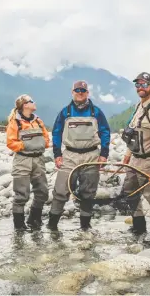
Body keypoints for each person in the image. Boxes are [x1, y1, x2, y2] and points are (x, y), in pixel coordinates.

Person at [47, 80, 111, 231]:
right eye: (77, 91)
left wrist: (104, 154)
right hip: (69, 155)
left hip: (91, 155)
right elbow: (56, 133)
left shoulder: (97, 112)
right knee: (61, 190)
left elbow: (105, 132)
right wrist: (57, 154)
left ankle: (85, 226)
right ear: (72, 92)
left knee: (88, 192)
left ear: (87, 93)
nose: (80, 93)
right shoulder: (65, 112)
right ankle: (52, 225)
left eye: (83, 91)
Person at [121, 72, 150, 247]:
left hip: (149, 162)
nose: (140, 87)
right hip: (134, 160)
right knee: (129, 192)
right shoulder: (139, 106)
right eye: (137, 85)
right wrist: (127, 156)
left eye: (144, 84)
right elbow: (133, 134)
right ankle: (139, 226)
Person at [6, 94, 50, 231]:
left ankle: (33, 219)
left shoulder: (38, 121)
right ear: (25, 105)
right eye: (32, 101)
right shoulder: (15, 122)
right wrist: (26, 145)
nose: (34, 103)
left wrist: (42, 144)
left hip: (39, 160)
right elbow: (10, 142)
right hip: (22, 160)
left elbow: (46, 138)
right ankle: (19, 226)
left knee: (42, 192)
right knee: (21, 195)